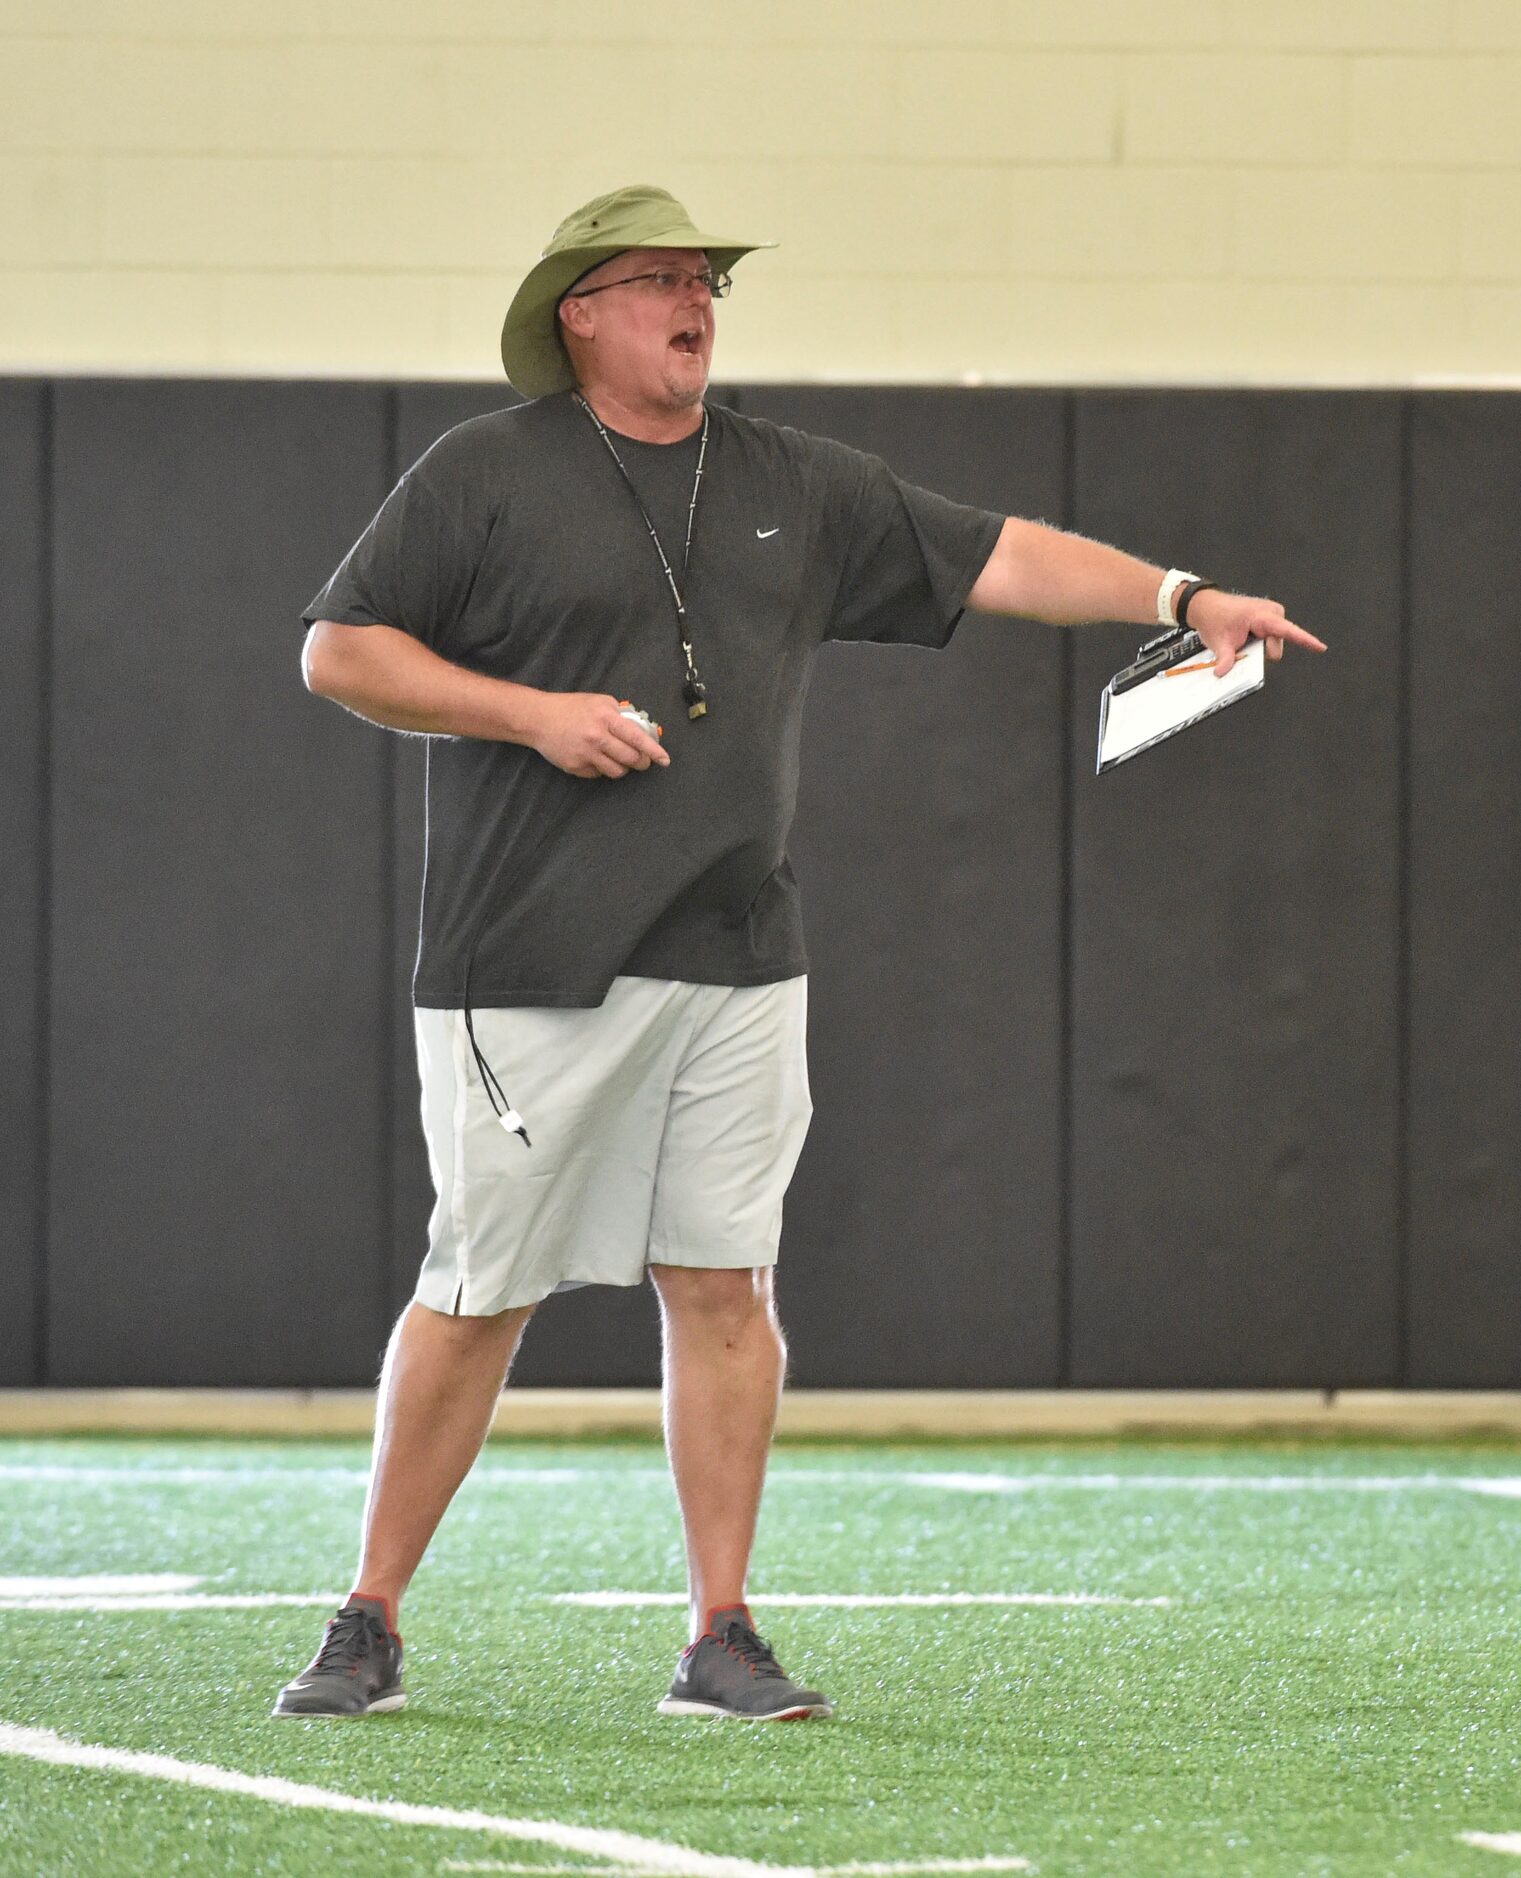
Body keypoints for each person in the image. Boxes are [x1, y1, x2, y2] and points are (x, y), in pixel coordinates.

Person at [271, 185, 1322, 1719]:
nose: (692, 301)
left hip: (739, 949)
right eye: (656, 280)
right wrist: (530, 713)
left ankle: (719, 1631)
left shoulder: (789, 479)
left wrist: (1182, 596)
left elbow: (998, 558)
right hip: (531, 958)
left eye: (705, 280)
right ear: (578, 309)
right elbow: (337, 648)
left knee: (723, 1284)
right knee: (482, 1288)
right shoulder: (483, 474)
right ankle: (368, 1612)